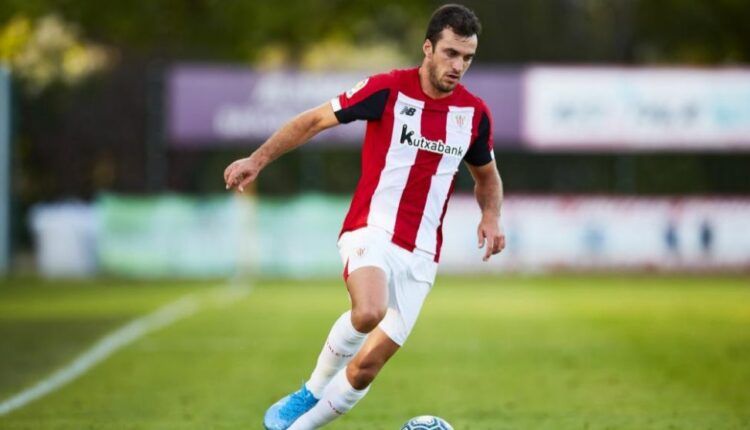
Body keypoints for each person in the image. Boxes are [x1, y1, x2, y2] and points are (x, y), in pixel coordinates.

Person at [224, 4, 505, 429]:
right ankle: (312, 389)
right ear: (428, 48)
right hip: (371, 229)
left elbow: (487, 176)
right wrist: (258, 159)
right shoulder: (387, 89)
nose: (458, 66)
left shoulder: (474, 115)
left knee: (364, 369)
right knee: (369, 311)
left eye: (467, 58)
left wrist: (492, 218)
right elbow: (314, 120)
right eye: (450, 53)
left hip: (423, 254)